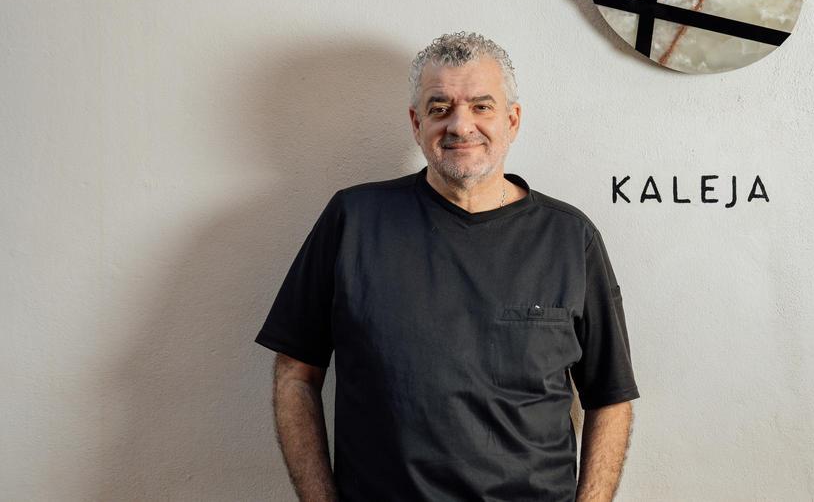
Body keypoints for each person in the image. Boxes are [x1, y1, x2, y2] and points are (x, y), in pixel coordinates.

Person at [254, 31, 640, 501]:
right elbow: (295, 374)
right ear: (416, 123)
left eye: (481, 106)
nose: (460, 125)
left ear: (512, 120)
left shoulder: (569, 238)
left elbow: (611, 398)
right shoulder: (353, 221)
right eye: (440, 108)